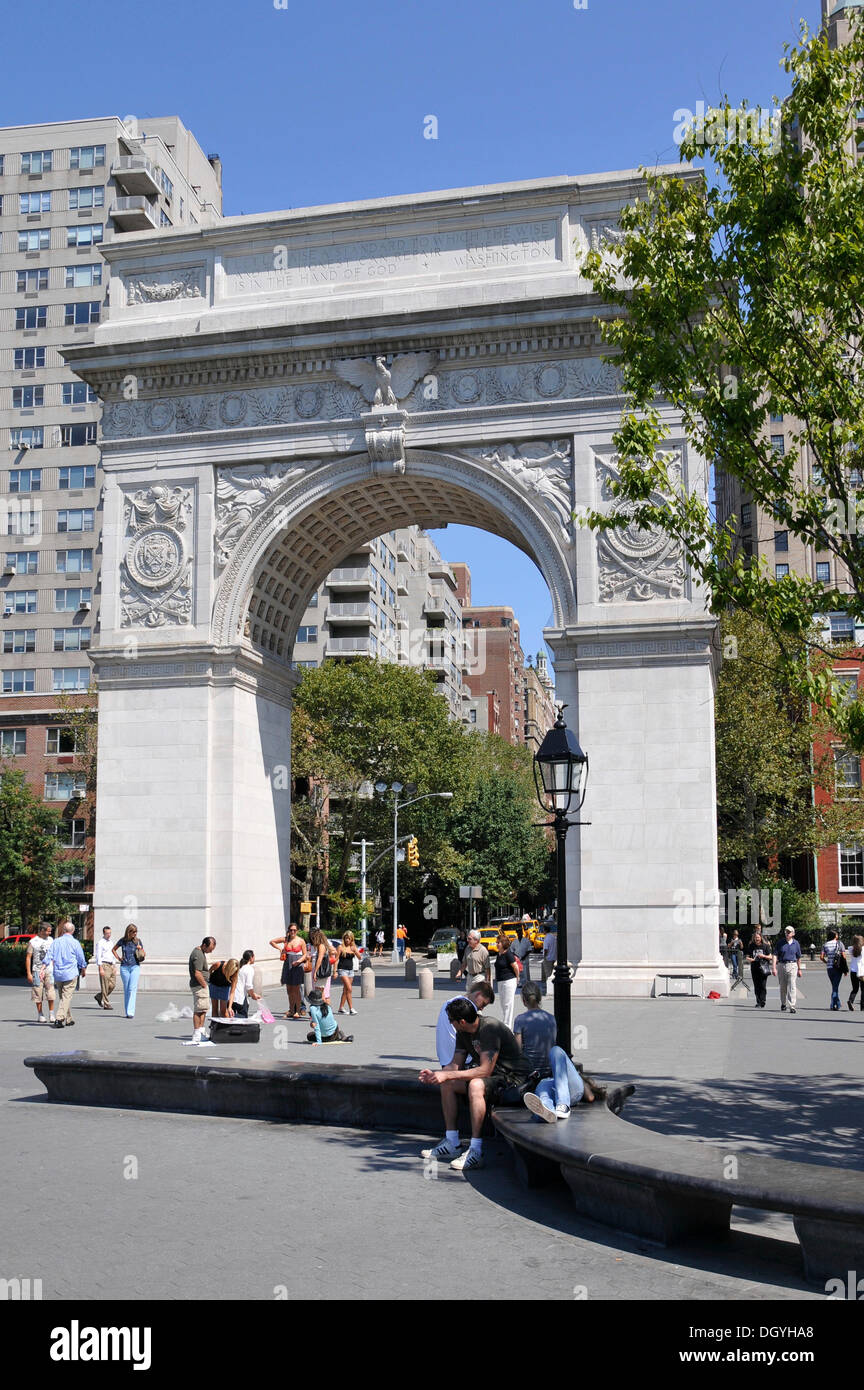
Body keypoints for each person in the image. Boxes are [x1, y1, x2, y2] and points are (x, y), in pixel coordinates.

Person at [419, 997, 532, 1171]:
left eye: (451, 1021)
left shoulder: (489, 1029)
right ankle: (452, 1142)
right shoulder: (462, 1032)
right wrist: (437, 1075)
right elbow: (455, 1064)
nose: (450, 1023)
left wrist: (448, 1074)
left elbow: (485, 1070)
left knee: (475, 1085)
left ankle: (476, 1150)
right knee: (448, 1084)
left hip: (514, 1079)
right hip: (494, 1077)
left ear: (461, 1021)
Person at [435, 981, 494, 1067]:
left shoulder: (450, 1002)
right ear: (478, 994)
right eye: (483, 1004)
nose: (482, 1008)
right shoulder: (469, 1009)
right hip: (462, 1060)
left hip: (444, 1058)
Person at [42, 922, 86, 1028]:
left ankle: (69, 1019)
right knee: (66, 997)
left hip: (58, 973)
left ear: (63, 930)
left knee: (64, 997)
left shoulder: (56, 942)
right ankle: (59, 1018)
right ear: (73, 931)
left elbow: (49, 956)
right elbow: (81, 957)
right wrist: (83, 968)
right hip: (70, 973)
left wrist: (42, 968)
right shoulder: (75, 943)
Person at [271, 924, 308, 1019]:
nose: (292, 932)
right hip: (287, 964)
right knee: (289, 989)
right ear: (288, 930)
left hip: (297, 964)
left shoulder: (301, 941)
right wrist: (281, 949)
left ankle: (298, 1010)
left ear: (297, 931)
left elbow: (305, 955)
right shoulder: (286, 939)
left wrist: (299, 961)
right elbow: (272, 941)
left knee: (296, 989)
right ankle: (291, 1010)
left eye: (294, 930)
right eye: (291, 930)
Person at [184, 936, 216, 1046]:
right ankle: (197, 1033)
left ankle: (201, 1030)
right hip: (199, 986)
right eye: (210, 948)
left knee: (203, 1009)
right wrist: (204, 985)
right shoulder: (198, 954)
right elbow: (197, 973)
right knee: (199, 1010)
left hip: (202, 985)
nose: (211, 951)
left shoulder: (201, 953)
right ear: (204, 945)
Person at [26, 922, 55, 1025]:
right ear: (42, 930)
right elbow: (29, 957)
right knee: (38, 993)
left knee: (51, 992)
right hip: (37, 970)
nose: (50, 932)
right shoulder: (33, 942)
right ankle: (40, 1014)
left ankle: (51, 1013)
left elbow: (53, 955)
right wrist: (29, 973)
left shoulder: (51, 940)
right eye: (48, 931)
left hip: (49, 970)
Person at [113, 924, 145, 1018]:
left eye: (136, 932)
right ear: (129, 932)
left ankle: (131, 1012)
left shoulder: (138, 941)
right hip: (124, 967)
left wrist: (140, 949)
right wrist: (119, 958)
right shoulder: (122, 941)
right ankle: (127, 1011)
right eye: (133, 932)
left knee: (132, 989)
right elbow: (113, 949)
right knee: (127, 989)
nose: (135, 934)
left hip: (135, 966)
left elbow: (144, 954)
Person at [493, 927, 519, 1030]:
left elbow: (515, 966)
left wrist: (517, 977)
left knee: (508, 1004)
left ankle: (507, 1027)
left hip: (509, 981)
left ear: (503, 943)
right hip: (501, 981)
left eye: (498, 942)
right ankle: (506, 1024)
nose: (497, 944)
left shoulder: (508, 954)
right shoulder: (499, 954)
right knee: (503, 1003)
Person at [775, 926, 802, 1013]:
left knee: (792, 986)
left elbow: (798, 957)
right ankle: (783, 1003)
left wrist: (799, 969)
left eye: (789, 932)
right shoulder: (780, 943)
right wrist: (773, 967)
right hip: (782, 964)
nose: (787, 933)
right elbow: (775, 955)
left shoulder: (796, 943)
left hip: (793, 965)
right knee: (783, 986)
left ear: (793, 933)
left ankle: (792, 1005)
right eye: (786, 932)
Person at [745, 929, 774, 1008]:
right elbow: (747, 956)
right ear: (754, 938)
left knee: (763, 985)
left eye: (758, 937)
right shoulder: (751, 946)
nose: (757, 939)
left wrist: (763, 956)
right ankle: (758, 1001)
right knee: (756, 985)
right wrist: (750, 959)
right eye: (756, 937)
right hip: (754, 967)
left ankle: (763, 1000)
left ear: (761, 938)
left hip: (763, 967)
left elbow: (770, 957)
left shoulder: (765, 946)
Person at [229, 950, 261, 1018]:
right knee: (243, 1019)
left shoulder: (240, 967)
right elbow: (248, 986)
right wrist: (253, 996)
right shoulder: (249, 969)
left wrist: (253, 994)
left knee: (231, 1019)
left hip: (232, 997)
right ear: (251, 958)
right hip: (240, 997)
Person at [821, 930, 847, 1011]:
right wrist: (845, 969)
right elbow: (844, 956)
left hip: (829, 968)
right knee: (835, 987)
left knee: (834, 986)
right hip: (838, 968)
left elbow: (821, 957)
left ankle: (837, 1004)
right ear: (834, 936)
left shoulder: (825, 944)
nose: (837, 935)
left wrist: (827, 962)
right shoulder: (839, 943)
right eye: (836, 934)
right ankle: (833, 1005)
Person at [335, 931, 360, 1015]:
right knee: (349, 989)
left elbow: (360, 957)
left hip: (350, 970)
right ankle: (351, 1008)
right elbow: (336, 960)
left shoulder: (353, 947)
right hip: (342, 969)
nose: (347, 940)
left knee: (346, 990)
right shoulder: (340, 947)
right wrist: (335, 971)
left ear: (352, 939)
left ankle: (341, 1008)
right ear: (344, 938)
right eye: (346, 938)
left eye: (349, 938)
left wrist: (355, 951)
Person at [93, 926, 117, 1010]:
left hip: (111, 965)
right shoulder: (100, 943)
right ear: (104, 933)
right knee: (105, 985)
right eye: (107, 933)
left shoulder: (111, 942)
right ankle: (106, 1004)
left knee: (112, 985)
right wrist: (100, 968)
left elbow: (112, 954)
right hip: (104, 964)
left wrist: (114, 965)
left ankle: (99, 996)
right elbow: (98, 956)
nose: (109, 935)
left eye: (110, 933)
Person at [307, 927, 333, 1002]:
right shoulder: (319, 946)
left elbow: (320, 959)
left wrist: (315, 972)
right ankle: (325, 1012)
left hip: (320, 971)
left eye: (313, 937)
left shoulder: (321, 946)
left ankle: (326, 1012)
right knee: (322, 993)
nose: (312, 939)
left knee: (320, 994)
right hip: (318, 970)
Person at [847, 935, 864, 1011]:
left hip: (853, 971)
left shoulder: (851, 949)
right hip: (862, 972)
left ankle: (850, 1001)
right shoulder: (863, 949)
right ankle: (862, 1006)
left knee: (855, 989)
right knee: (863, 990)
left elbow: (850, 947)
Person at [541, 922, 557, 996]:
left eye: (543, 930)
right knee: (552, 974)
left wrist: (545, 956)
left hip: (548, 958)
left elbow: (546, 949)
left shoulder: (547, 938)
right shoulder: (553, 937)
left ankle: (549, 989)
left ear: (545, 930)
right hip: (554, 957)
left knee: (548, 975)